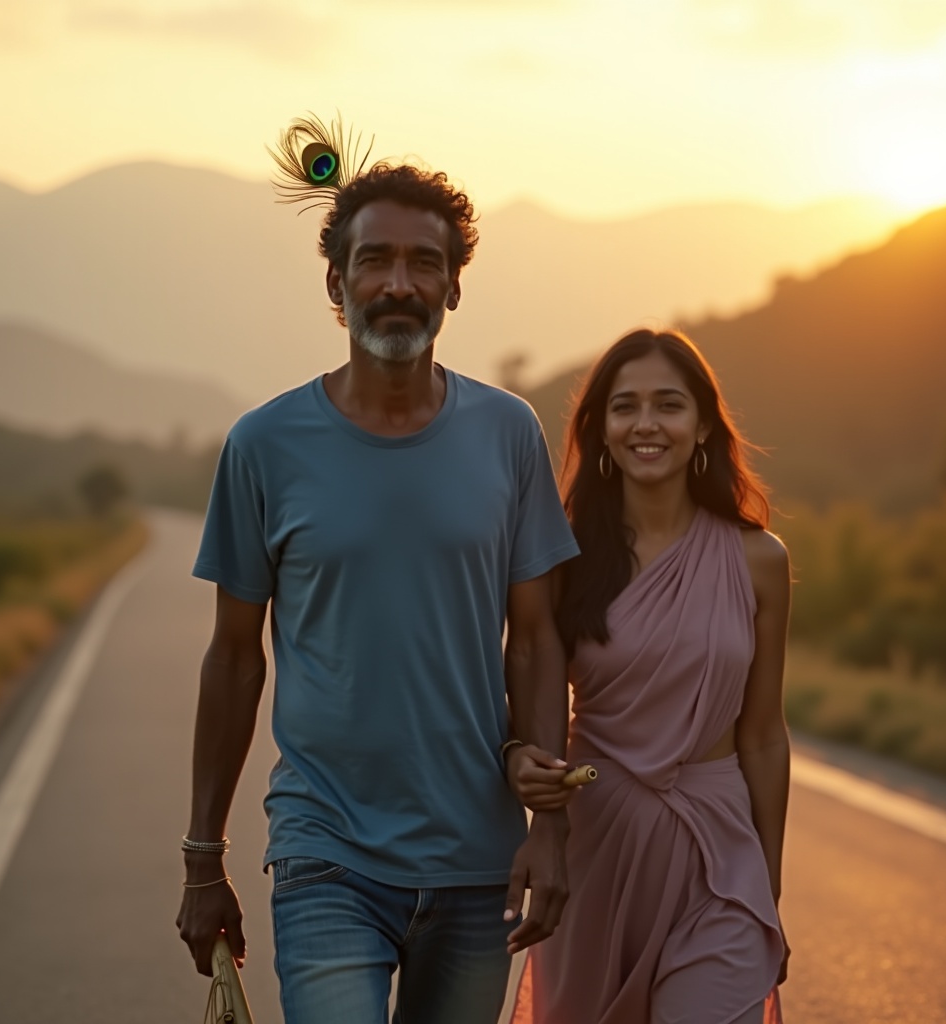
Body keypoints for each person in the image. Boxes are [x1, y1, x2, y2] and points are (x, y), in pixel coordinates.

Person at [175, 116, 580, 1024]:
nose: (399, 284)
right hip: (326, 849)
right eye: (375, 261)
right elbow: (236, 660)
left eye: (423, 264)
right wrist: (204, 859)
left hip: (477, 858)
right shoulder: (264, 446)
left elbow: (537, 637)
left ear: (453, 288)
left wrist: (548, 829)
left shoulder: (508, 434)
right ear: (336, 281)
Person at [508, 328, 791, 1024]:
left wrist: (767, 887)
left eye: (668, 405)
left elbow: (761, 735)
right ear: (600, 431)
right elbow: (531, 687)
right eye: (625, 406)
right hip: (598, 842)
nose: (646, 424)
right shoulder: (562, 556)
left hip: (719, 856)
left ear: (702, 427)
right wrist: (527, 778)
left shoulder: (761, 560)